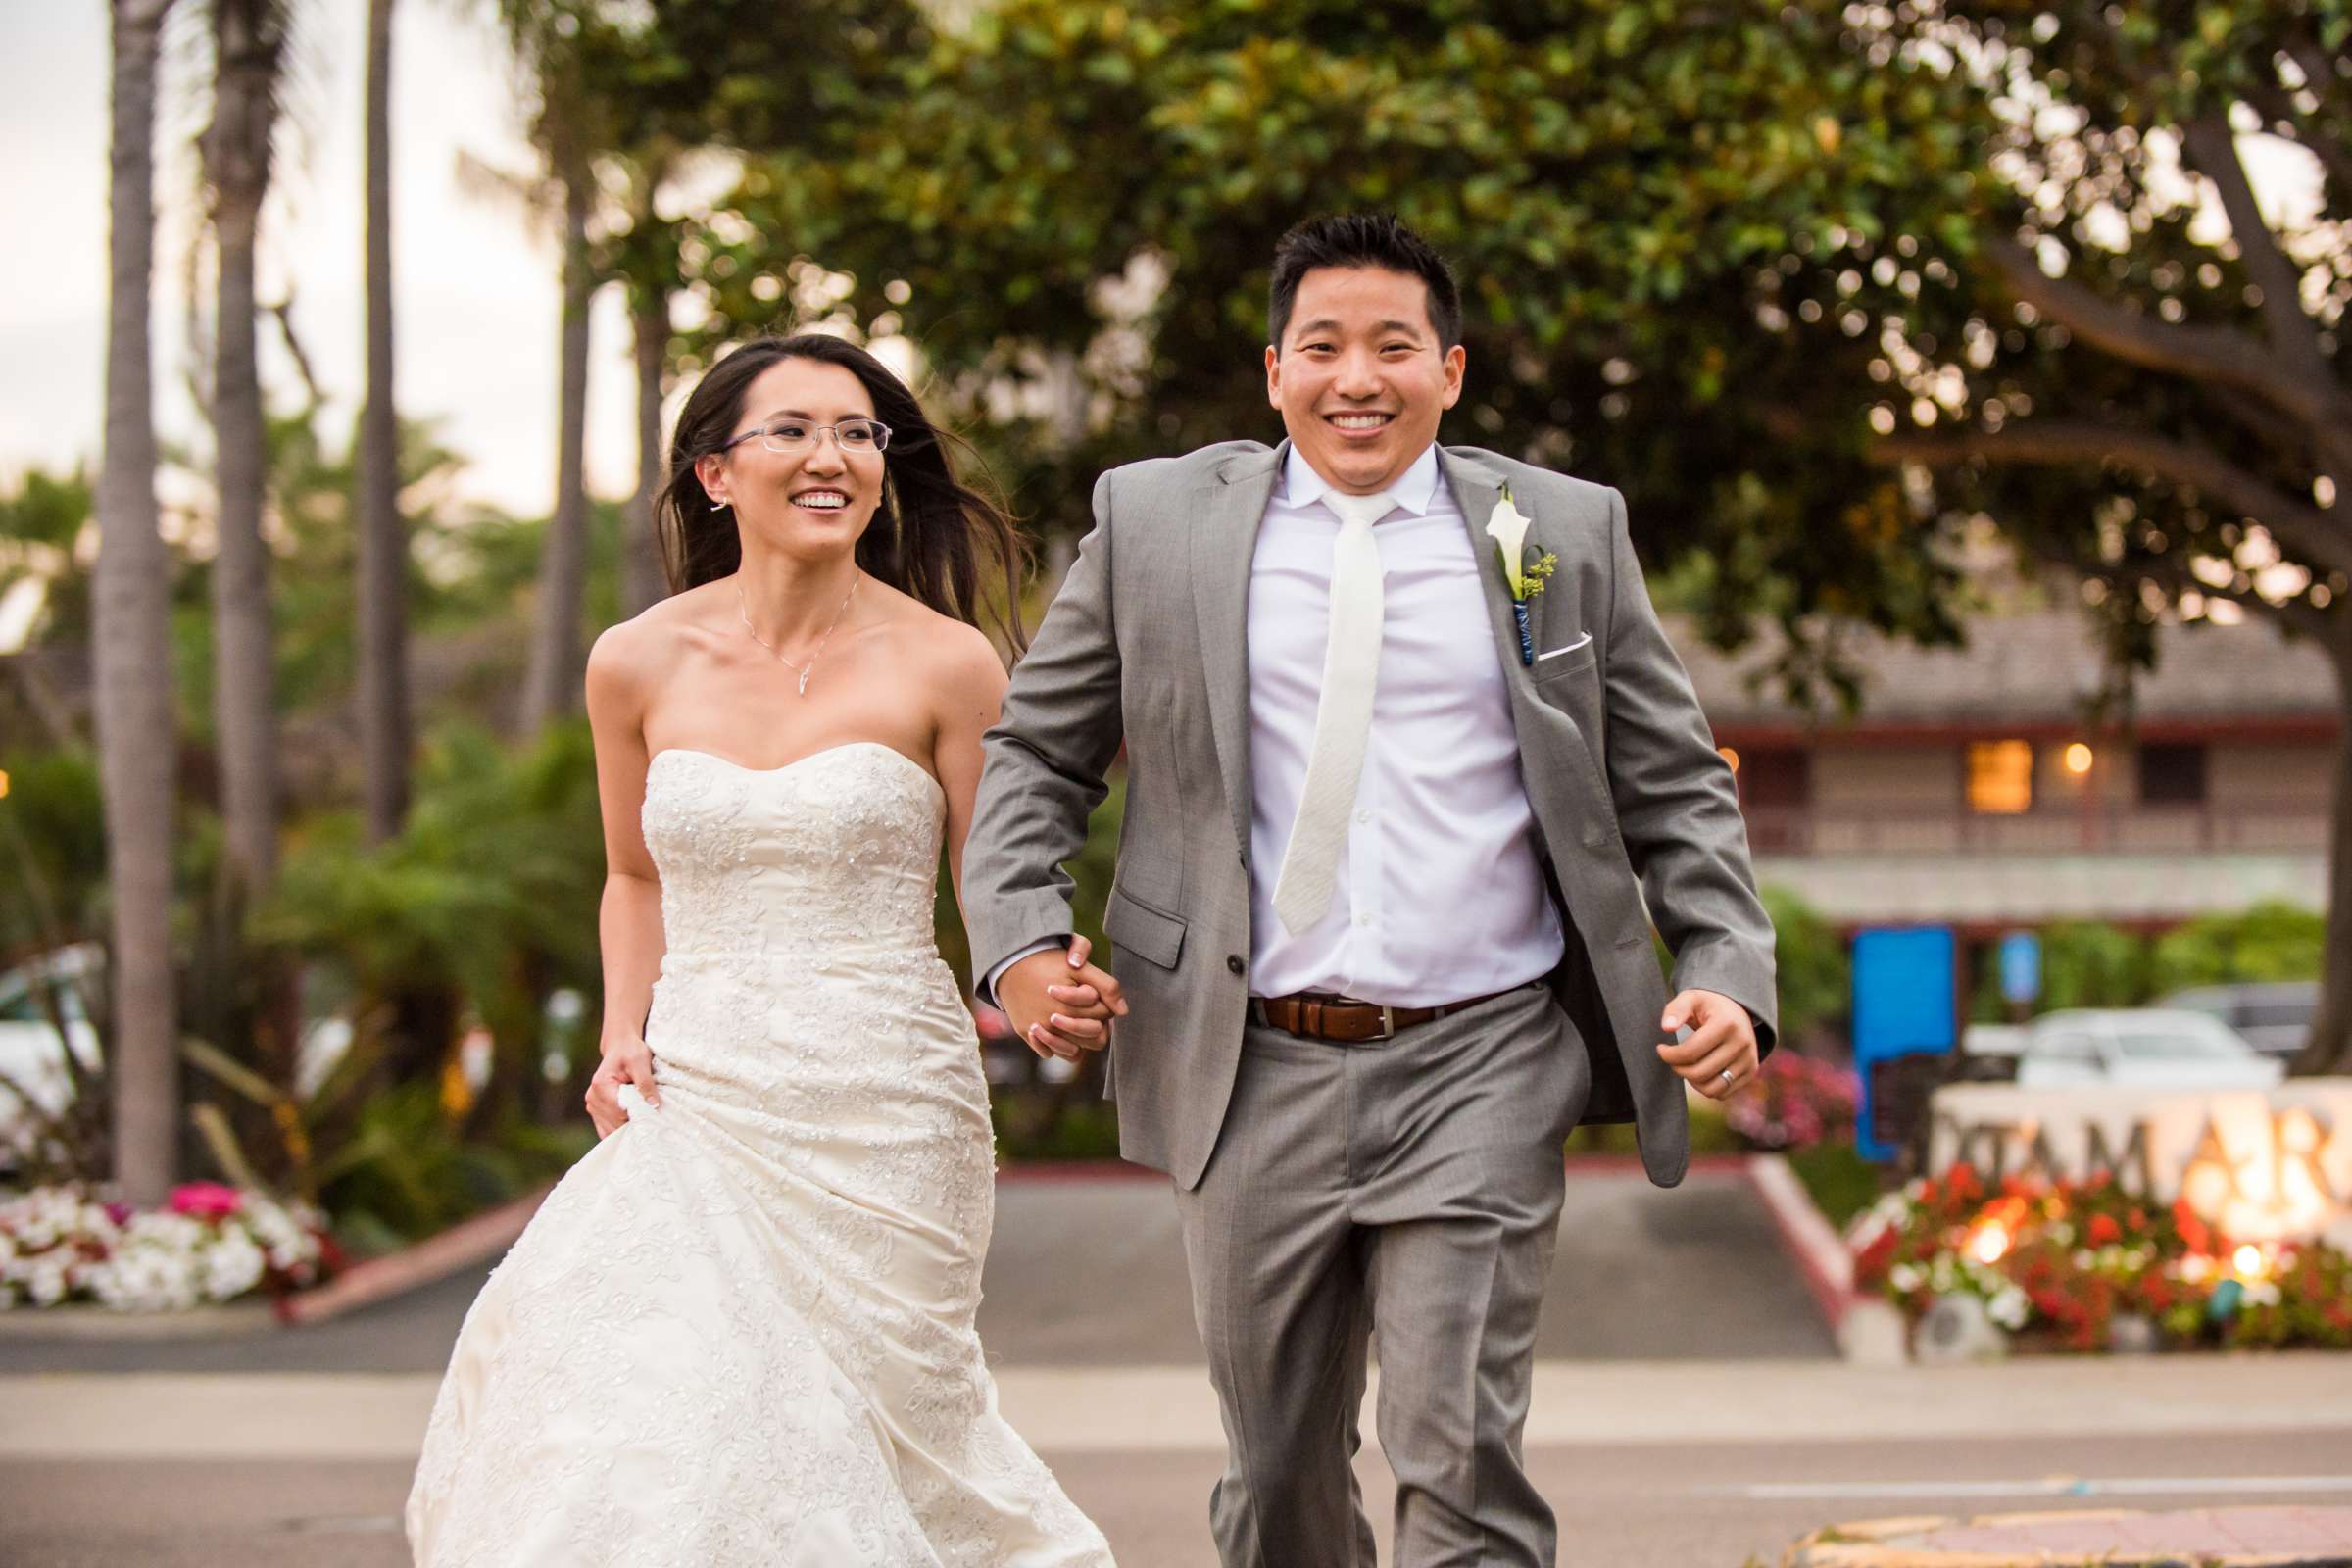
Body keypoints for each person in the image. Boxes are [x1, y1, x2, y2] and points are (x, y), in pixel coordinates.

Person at [964, 214, 1779, 1567]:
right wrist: (1025, 945)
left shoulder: (1556, 530)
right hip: (1246, 1060)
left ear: (1449, 373)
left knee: (1458, 1446)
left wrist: (1724, 966)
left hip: (1485, 1053)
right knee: (1278, 1471)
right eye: (1325, 347)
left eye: (1395, 347)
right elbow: (1037, 752)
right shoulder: (1154, 521)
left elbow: (1677, 781)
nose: (1360, 378)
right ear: (1273, 370)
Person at [405, 333, 1117, 1568]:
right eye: (790, 429)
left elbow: (991, 877)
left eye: (856, 432)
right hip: (700, 1087)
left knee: (894, 1418)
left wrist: (1040, 973)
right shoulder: (632, 660)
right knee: (656, 1406)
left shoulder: (951, 662)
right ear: (715, 474)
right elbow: (634, 877)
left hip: (890, 1100)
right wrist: (625, 1030)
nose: (830, 455)